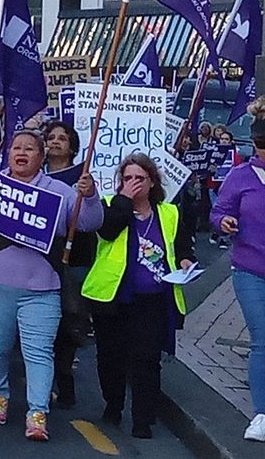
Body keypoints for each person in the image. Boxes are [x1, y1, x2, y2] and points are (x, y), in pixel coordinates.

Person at [0, 129, 102, 442]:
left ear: (41, 156)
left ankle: (37, 412)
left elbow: (90, 223)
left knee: (39, 352)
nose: (21, 153)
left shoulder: (58, 191)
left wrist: (90, 196)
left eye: (29, 148)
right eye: (16, 147)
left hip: (42, 288)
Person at [82, 154, 194, 439]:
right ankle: (113, 404)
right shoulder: (110, 205)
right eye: (127, 178)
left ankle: (143, 419)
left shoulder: (169, 212)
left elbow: (182, 247)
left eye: (139, 178)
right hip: (113, 298)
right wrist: (124, 199)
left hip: (152, 299)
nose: (133, 183)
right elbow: (108, 232)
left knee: (146, 359)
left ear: (152, 181)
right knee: (111, 357)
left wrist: (185, 261)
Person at [210, 104, 265, 442]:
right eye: (260, 144)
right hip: (250, 270)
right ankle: (262, 414)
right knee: (262, 338)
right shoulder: (241, 176)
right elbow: (219, 212)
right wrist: (224, 222)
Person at [42, 119, 94, 409]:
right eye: (51, 137)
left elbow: (91, 218)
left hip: (75, 260)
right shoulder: (35, 175)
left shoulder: (82, 177)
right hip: (43, 258)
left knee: (68, 323)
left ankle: (64, 379)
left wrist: (89, 195)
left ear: (72, 147)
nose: (55, 141)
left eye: (62, 138)